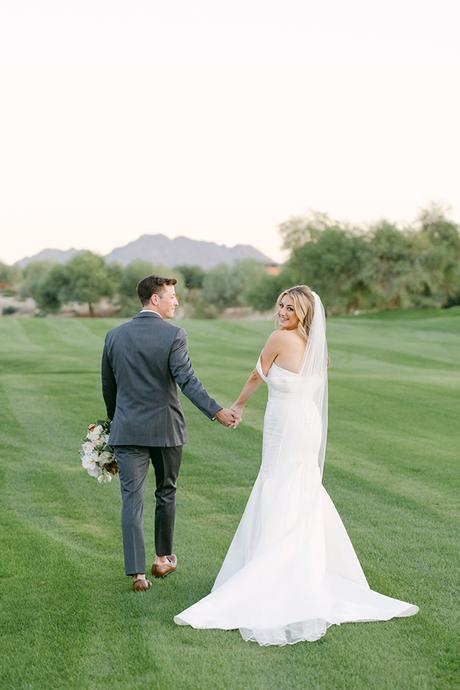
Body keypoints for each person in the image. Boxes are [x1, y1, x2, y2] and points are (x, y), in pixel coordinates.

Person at [174, 285, 418, 645]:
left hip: (285, 425)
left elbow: (257, 374)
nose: (282, 311)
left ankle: (273, 566)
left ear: (303, 312)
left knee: (279, 484)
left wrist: (238, 406)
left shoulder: (278, 338)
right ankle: (302, 565)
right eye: (280, 305)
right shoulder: (314, 344)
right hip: (308, 425)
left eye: (290, 307)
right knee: (300, 487)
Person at [101, 275, 239, 592]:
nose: (176, 301)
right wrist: (217, 412)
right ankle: (162, 558)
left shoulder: (113, 336)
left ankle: (137, 574)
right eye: (172, 296)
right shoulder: (174, 334)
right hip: (166, 431)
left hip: (128, 431)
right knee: (166, 492)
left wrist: (115, 425)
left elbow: (109, 389)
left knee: (131, 501)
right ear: (155, 299)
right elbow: (187, 381)